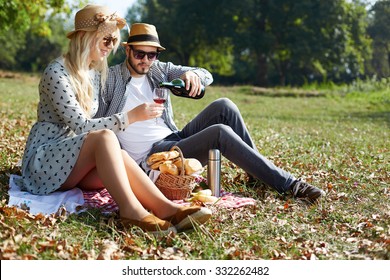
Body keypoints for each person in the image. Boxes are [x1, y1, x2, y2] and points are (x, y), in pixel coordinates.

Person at [18, 6, 212, 236]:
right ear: (85, 37)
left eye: (114, 41)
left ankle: (166, 208)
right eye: (106, 39)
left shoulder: (94, 72)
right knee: (105, 138)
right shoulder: (57, 73)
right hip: (47, 160)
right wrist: (130, 117)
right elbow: (80, 126)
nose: (111, 47)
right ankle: (131, 212)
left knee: (118, 155)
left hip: (75, 160)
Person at [96, 23, 325, 203]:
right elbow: (96, 125)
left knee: (225, 106)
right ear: (127, 50)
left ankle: (257, 177)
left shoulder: (159, 70)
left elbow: (206, 74)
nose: (146, 61)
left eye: (152, 55)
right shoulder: (111, 79)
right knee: (219, 133)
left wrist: (193, 75)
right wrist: (132, 116)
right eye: (139, 54)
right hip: (153, 158)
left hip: (174, 139)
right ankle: (290, 185)